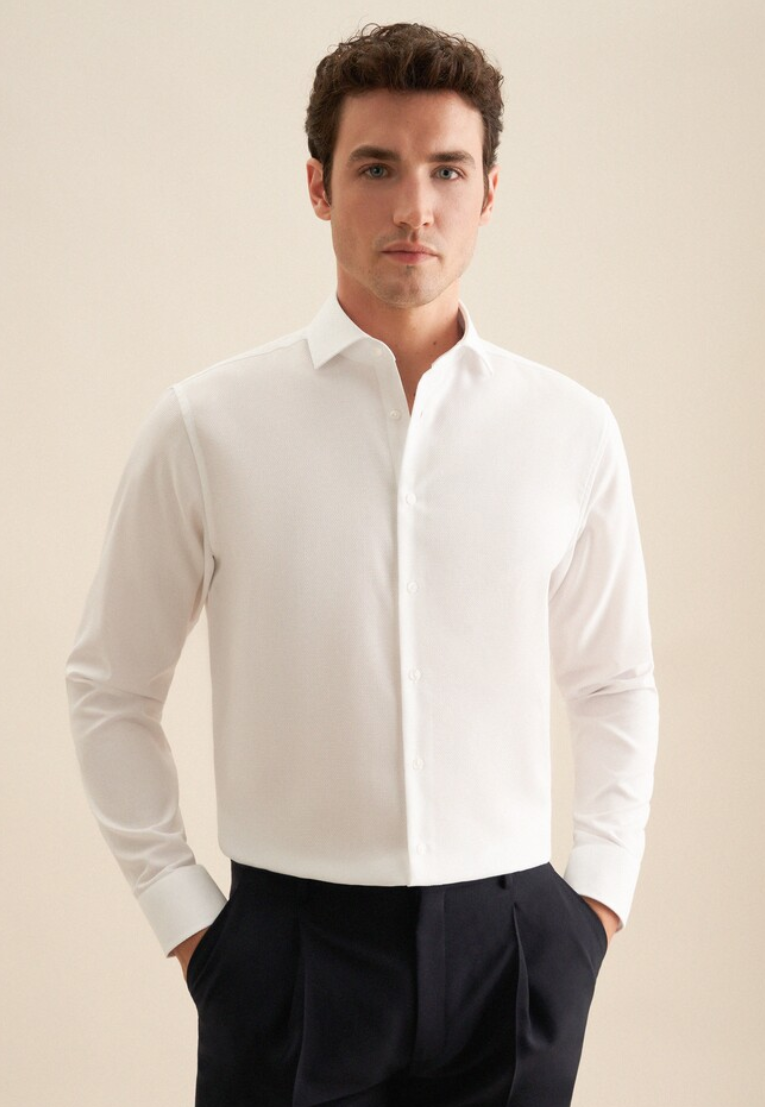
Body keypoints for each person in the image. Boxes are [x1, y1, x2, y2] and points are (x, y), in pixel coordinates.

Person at [65, 21, 659, 1107]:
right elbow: (108, 686)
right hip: (289, 951)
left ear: (489, 193)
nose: (414, 207)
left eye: (448, 170)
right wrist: (189, 919)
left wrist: (593, 911)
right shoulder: (208, 426)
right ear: (319, 186)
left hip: (515, 948)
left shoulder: (569, 429)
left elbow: (616, 681)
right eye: (377, 168)